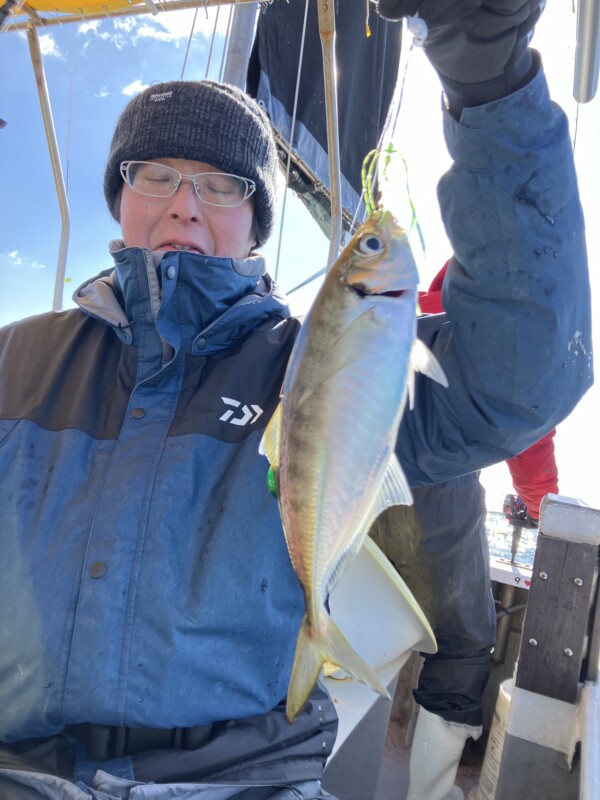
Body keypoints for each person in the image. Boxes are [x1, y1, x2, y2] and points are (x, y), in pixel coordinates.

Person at [0, 1, 592, 797]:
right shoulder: (17, 356)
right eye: (156, 175)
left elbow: (524, 373)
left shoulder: (302, 359)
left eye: (220, 184)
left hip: (243, 778)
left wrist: (490, 84)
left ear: (255, 223)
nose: (185, 204)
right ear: (119, 195)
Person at [370, 263, 563, 800]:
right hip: (438, 514)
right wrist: (540, 510)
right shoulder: (500, 345)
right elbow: (530, 454)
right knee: (461, 649)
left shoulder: (396, 321)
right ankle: (428, 794)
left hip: (358, 506)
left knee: (355, 635)